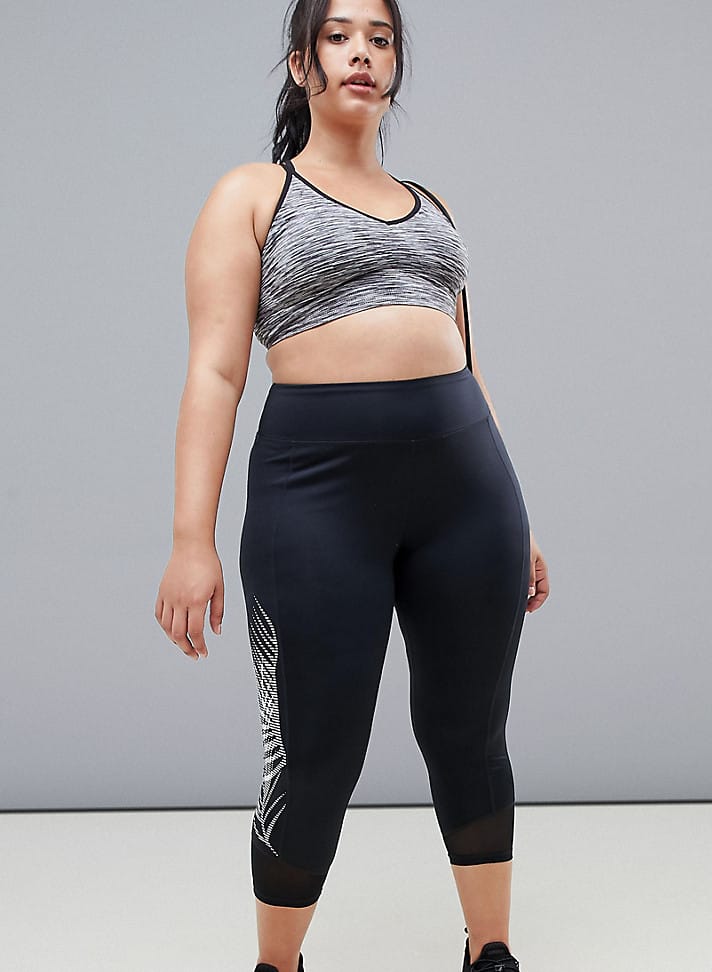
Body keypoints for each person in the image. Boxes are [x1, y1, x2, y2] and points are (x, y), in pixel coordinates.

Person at [154, 1, 550, 969]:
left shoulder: (432, 205)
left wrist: (522, 517)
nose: (362, 53)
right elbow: (215, 371)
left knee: (470, 731)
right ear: (302, 64)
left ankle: (490, 950)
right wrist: (191, 539)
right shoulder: (254, 193)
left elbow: (467, 360)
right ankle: (277, 963)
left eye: (380, 38)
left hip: (469, 495)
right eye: (339, 36)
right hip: (318, 496)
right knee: (316, 747)